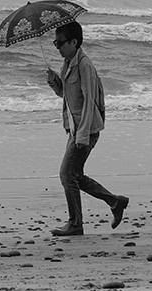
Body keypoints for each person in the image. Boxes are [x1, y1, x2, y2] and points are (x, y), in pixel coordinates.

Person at [45, 21, 129, 236]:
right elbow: (68, 96)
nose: (57, 47)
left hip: (86, 129)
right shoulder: (68, 63)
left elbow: (90, 100)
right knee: (75, 176)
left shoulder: (84, 65)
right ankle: (114, 201)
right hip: (75, 128)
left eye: (60, 43)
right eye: (55, 43)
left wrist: (82, 135)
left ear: (74, 42)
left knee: (66, 175)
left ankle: (75, 224)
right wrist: (56, 83)